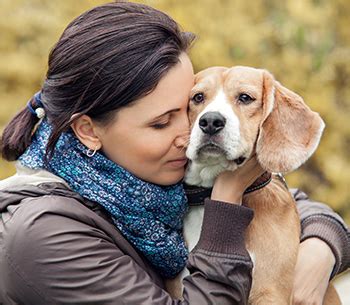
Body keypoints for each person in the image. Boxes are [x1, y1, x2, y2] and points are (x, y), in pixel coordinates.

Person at [0, 2, 348, 304]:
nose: (188, 133)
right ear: (89, 131)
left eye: (185, 110)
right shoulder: (45, 236)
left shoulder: (149, 181)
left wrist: (322, 248)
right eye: (161, 123)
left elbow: (287, 199)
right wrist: (226, 200)